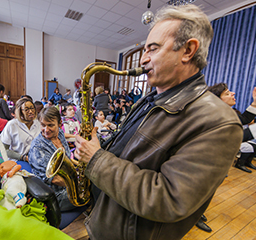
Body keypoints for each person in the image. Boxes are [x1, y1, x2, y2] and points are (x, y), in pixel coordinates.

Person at [74, 5, 243, 240]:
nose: (143, 59)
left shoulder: (219, 122)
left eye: (153, 49)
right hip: (106, 219)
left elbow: (167, 199)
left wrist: (96, 159)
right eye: (144, 50)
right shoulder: (151, 98)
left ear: (188, 50)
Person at [208, 83, 256, 173]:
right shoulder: (216, 116)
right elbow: (235, 137)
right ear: (218, 100)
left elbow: (244, 119)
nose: (233, 93)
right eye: (227, 93)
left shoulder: (226, 112)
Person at [28, 107, 77, 212]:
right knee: (95, 188)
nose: (46, 130)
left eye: (50, 125)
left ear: (60, 124)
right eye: (43, 125)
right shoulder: (38, 147)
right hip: (55, 196)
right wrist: (78, 183)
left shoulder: (59, 134)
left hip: (67, 185)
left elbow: (66, 159)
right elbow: (54, 179)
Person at [0, 98, 41, 164]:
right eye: (26, 110)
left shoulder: (38, 123)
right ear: (20, 112)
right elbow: (4, 150)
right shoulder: (12, 125)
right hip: (18, 160)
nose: (31, 111)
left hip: (36, 158)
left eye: (32, 108)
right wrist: (23, 158)